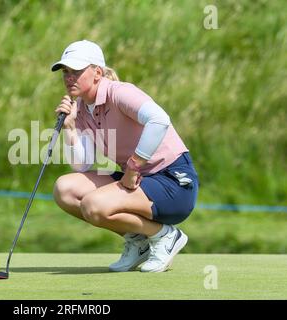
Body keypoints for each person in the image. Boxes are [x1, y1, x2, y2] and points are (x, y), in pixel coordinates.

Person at [51, 40, 199, 273]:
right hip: (137, 182)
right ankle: (139, 241)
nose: (69, 78)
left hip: (174, 182)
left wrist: (132, 167)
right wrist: (69, 127)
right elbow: (82, 163)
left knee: (94, 205)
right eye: (65, 72)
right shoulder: (80, 108)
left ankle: (166, 236)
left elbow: (159, 120)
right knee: (65, 189)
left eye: (76, 71)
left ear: (97, 72)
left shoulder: (119, 92)